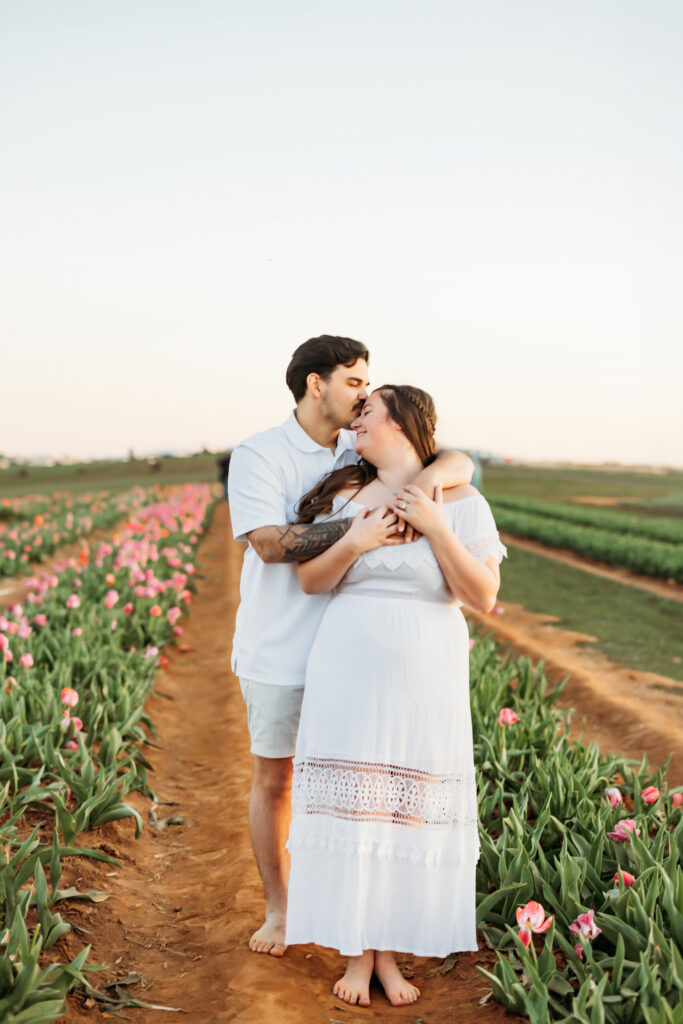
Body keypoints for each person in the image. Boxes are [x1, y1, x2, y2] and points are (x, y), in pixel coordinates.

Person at [227, 337, 475, 958]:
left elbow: (457, 461)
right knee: (277, 778)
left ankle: (360, 921)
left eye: (369, 388)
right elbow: (268, 545)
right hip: (283, 642)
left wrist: (427, 479)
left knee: (362, 786)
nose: (365, 395)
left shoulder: (356, 443)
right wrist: (362, 526)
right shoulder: (259, 454)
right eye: (355, 382)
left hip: (355, 658)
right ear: (317, 384)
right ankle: (281, 909)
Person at [285, 384, 506, 1007]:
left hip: (425, 674)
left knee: (401, 810)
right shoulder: (347, 494)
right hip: (347, 666)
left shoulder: (462, 501)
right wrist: (354, 541)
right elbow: (310, 580)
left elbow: (482, 597)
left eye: (367, 412)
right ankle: (357, 955)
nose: (356, 422)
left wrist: (436, 527)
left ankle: (388, 955)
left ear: (405, 424)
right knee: (357, 809)